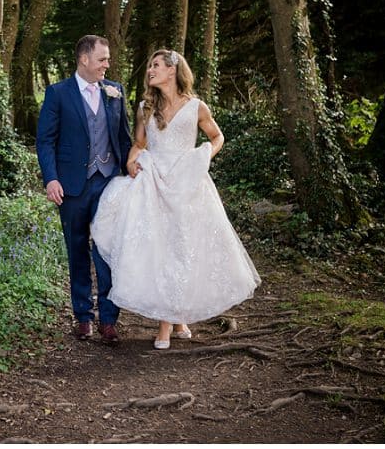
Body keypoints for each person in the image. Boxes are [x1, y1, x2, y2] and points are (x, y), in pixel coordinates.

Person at [91, 49, 261, 349]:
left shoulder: (196, 106)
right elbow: (141, 143)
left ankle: (168, 324)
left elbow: (217, 137)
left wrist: (202, 155)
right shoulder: (146, 107)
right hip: (154, 182)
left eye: (156, 65)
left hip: (186, 184)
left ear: (172, 70)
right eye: (150, 66)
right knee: (161, 247)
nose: (150, 70)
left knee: (181, 247)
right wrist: (132, 161)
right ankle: (173, 321)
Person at [36, 35, 132, 343]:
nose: (108, 64)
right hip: (71, 185)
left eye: (108, 59)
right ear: (84, 60)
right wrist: (51, 178)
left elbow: (125, 137)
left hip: (108, 182)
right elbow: (45, 140)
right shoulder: (57, 93)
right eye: (103, 58)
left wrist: (132, 173)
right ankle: (83, 317)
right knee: (77, 250)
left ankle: (108, 320)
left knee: (106, 250)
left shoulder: (115, 91)